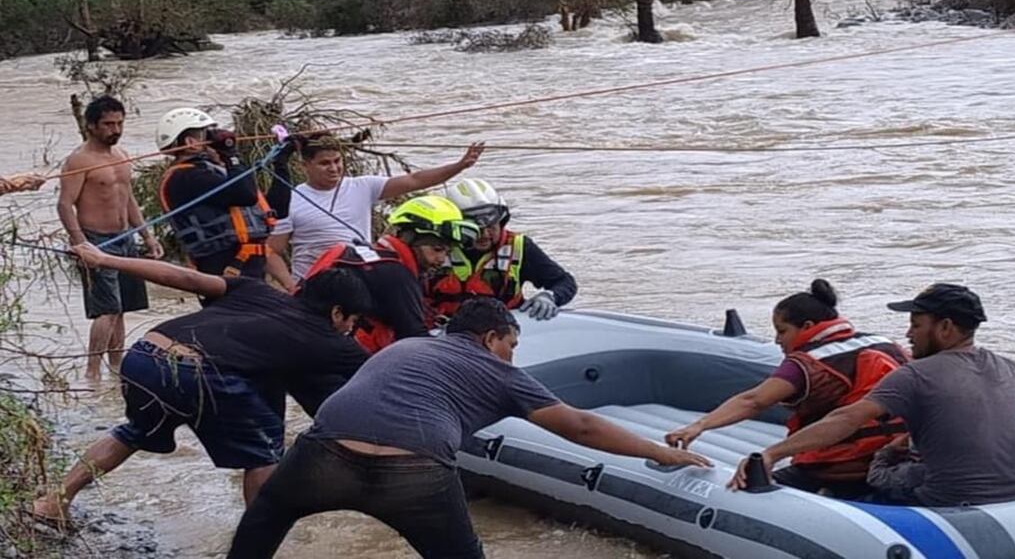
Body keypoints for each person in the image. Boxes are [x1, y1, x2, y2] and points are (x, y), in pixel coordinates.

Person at [227, 297, 712, 559]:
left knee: (267, 515)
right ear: (490, 338)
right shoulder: (501, 372)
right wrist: (662, 453)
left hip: (327, 453)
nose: (513, 355)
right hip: (414, 470)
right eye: (511, 344)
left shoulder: (405, 348)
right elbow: (581, 427)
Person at [31, 242, 370, 526]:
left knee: (133, 432)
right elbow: (386, 377)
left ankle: (55, 501)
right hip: (200, 373)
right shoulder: (333, 342)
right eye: (353, 321)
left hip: (145, 354)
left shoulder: (256, 290)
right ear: (338, 313)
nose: (350, 330)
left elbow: (185, 277)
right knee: (265, 452)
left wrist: (105, 259)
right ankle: (258, 539)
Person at [729, 283, 1015, 506]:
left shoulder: (916, 375)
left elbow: (845, 419)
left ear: (945, 328)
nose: (908, 334)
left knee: (865, 486)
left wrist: (773, 453)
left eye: (916, 324)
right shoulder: (1008, 368)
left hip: (945, 503)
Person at [666, 279, 908, 498]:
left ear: (808, 326)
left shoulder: (806, 363)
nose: (777, 340)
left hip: (837, 468)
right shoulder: (886, 344)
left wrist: (699, 426)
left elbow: (754, 401)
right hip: (892, 459)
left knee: (744, 488)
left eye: (782, 331)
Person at [266, 133, 484, 288]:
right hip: (312, 283)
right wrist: (290, 285)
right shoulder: (291, 199)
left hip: (360, 281)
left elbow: (414, 180)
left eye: (337, 161)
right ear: (305, 165)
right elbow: (272, 251)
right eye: (325, 163)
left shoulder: (363, 186)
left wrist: (459, 165)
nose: (334, 168)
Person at [58, 96, 162, 380]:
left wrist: (147, 236)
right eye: (108, 124)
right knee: (107, 309)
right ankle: (92, 373)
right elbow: (65, 204)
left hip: (125, 238)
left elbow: (128, 200)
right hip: (96, 240)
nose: (115, 129)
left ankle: (117, 369)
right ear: (91, 126)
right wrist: (80, 242)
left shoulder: (122, 156)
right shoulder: (79, 160)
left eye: (119, 123)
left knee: (123, 308)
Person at [302, 194, 479, 354]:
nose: (441, 259)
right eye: (437, 249)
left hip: (309, 339)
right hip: (342, 357)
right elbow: (415, 339)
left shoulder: (367, 256)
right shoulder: (397, 276)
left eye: (446, 253)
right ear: (410, 240)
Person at [155, 107, 294, 281]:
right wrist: (231, 155)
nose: (215, 138)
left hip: (247, 266)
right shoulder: (186, 178)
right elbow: (246, 196)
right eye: (208, 135)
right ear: (191, 142)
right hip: (223, 268)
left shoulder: (214, 173)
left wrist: (281, 163)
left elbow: (278, 210)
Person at [432, 179, 576, 321]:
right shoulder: (434, 248)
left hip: (502, 335)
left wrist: (549, 296)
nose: (484, 235)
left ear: (501, 222)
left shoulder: (519, 247)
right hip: (442, 333)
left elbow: (564, 281)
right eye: (476, 230)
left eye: (491, 227)